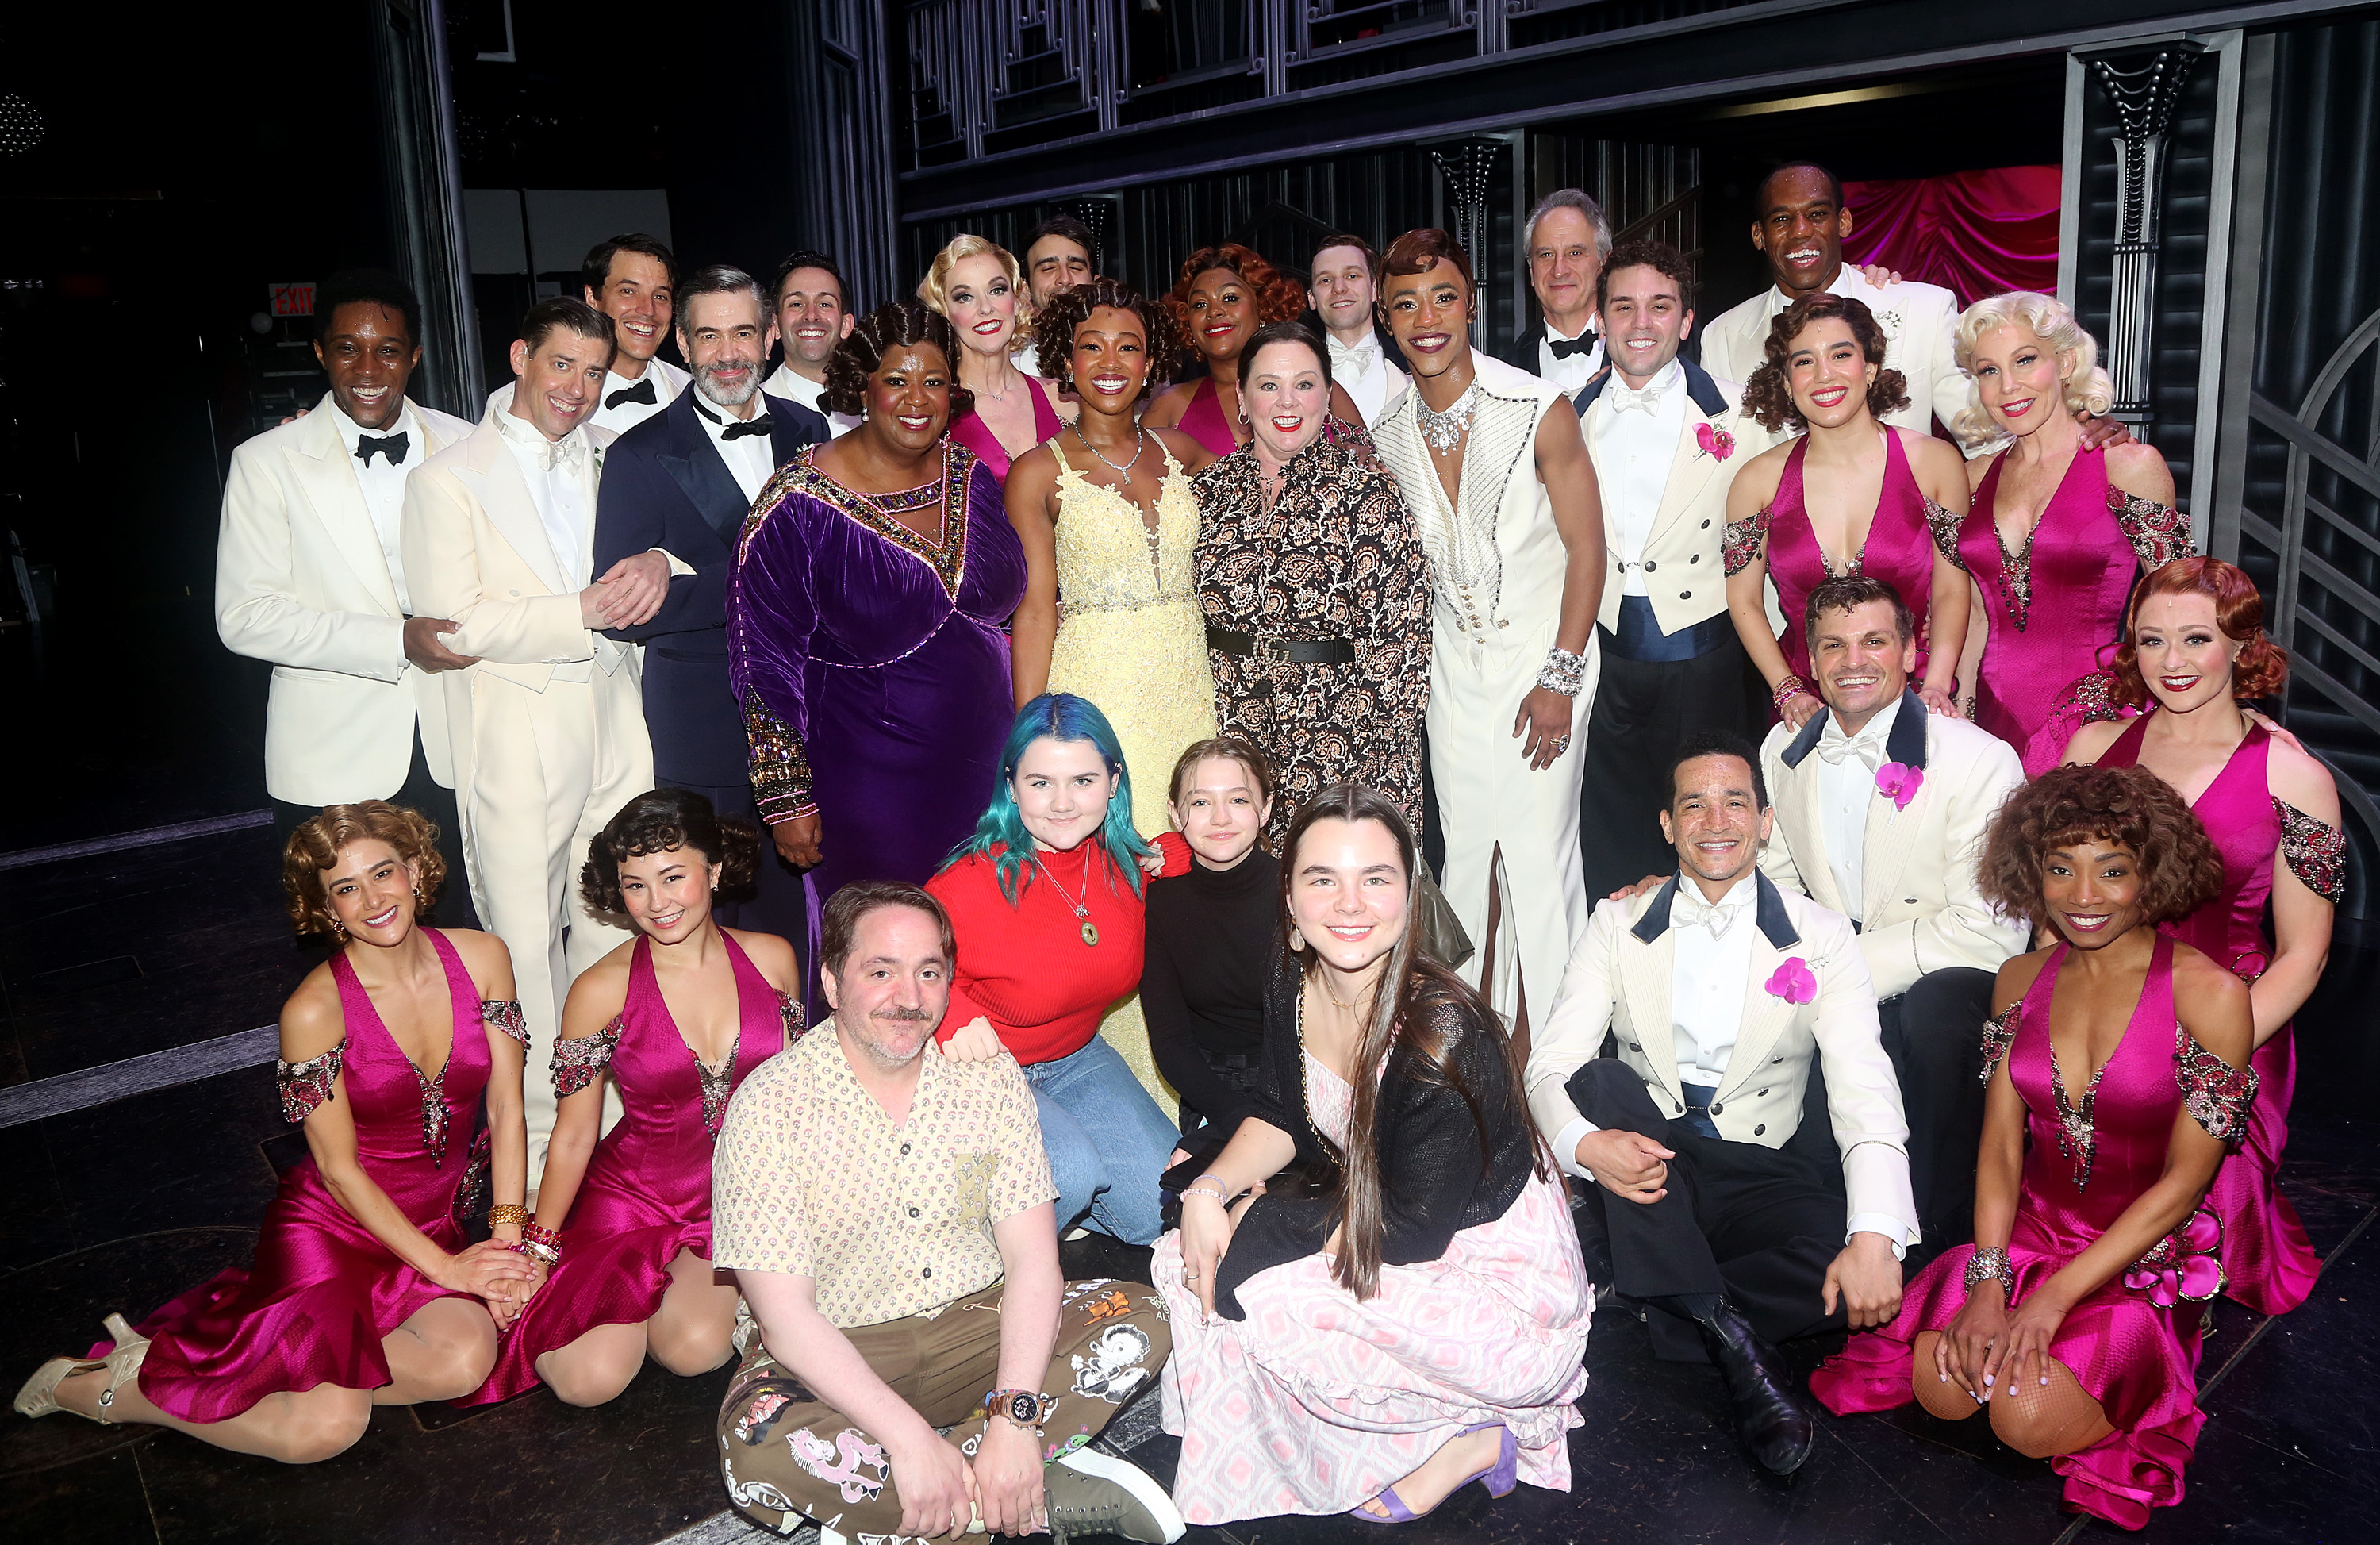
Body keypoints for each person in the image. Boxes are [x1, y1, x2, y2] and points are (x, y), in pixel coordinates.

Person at [1811, 763, 2253, 1532]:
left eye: (2112, 870)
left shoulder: (2210, 995)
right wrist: (1988, 1284)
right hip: (2025, 1241)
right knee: (1942, 1388)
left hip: (2136, 1258)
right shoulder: (2017, 980)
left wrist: (2049, 1303)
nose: (2083, 895)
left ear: (2153, 872)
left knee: (2023, 1417)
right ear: (2031, 872)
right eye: (2060, 868)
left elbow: (2183, 1188)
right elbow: (2002, 1151)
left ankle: (2140, 1353)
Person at [15, 804, 531, 1459]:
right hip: (334, 1231)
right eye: (346, 888)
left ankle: (262, 1364)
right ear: (325, 907)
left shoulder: (484, 956)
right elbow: (339, 1172)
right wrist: (450, 1270)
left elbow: (507, 1108)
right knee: (324, 1429)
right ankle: (106, 1388)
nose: (372, 899)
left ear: (417, 869)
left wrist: (506, 1244)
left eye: (383, 873)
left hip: (432, 1224)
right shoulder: (313, 1009)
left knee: (463, 1362)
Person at [1158, 785, 1592, 1524]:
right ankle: (1381, 1435)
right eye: (1322, 878)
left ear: (1408, 895)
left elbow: (1413, 1230)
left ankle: (1475, 1435)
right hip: (1369, 1213)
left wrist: (1267, 1219)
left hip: (1482, 1272)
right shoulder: (1293, 976)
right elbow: (1282, 1110)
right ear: (1289, 899)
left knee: (1262, 1296)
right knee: (1184, 1251)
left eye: (1376, 879)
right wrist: (1211, 1189)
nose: (1349, 904)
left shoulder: (1439, 1035)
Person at [710, 881, 1183, 1543]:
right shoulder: (769, 1106)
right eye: (881, 971)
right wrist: (907, 1437)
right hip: (843, 1343)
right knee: (754, 1445)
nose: (909, 996)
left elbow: (1032, 1260)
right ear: (832, 980)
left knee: (1144, 1318)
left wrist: (1014, 1421)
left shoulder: (987, 1078)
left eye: (929, 972)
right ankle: (1020, 1489)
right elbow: (786, 1319)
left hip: (976, 1326)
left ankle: (929, 1498)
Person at [1526, 732, 1916, 1478]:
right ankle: (1733, 1339)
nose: (1715, 820)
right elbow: (1549, 1066)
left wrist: (1875, 1235)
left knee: (1851, 1257)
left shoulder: (1824, 938)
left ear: (1765, 821)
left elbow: (1866, 1085)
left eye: (1735, 801)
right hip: (1647, 1162)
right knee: (1601, 1085)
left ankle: (1669, 1296)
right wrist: (1585, 1144)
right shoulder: (1618, 922)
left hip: (1756, 1167)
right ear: (1668, 826)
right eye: (1693, 805)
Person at [402, 298, 661, 1183]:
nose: (578, 390)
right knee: (522, 941)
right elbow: (455, 622)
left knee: (614, 923)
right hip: (517, 726)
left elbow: (669, 544)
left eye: (593, 373)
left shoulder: (612, 457)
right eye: (561, 366)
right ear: (520, 356)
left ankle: (614, 1113)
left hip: (616, 717)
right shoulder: (447, 479)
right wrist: (575, 613)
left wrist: (663, 565)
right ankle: (549, 1140)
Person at [2061, 558, 2344, 1316]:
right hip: (2094, 1004)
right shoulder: (2090, 750)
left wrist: (2203, 1047)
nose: (2173, 662)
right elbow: (2050, 914)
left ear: (2241, 646)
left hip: (2231, 1018)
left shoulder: (2296, 777)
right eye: (2152, 641)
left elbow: (2306, 955)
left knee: (2177, 1250)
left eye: (2196, 638)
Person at [463, 789, 803, 1409]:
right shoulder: (600, 989)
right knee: (590, 1380)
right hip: (634, 1200)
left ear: (716, 868)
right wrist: (536, 1246)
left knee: (694, 1347)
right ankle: (611, 1297)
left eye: (673, 877)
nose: (657, 903)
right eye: (635, 885)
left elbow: (796, 1101)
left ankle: (665, 1301)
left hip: (734, 1202)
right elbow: (573, 1133)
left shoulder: (773, 958)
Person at [1371, 228, 1606, 1028]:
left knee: (1538, 859)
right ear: (1385, 319)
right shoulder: (1384, 433)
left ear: (1472, 302)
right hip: (1455, 678)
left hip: (1549, 657)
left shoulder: (1538, 406)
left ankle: (1559, 1060)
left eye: (1443, 296)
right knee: (1468, 861)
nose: (1426, 318)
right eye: (1406, 304)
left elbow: (1587, 549)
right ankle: (1475, 1049)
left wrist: (1561, 676)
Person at [1759, 575, 2029, 1263]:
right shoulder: (1781, 754)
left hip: (1946, 983)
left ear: (1911, 652)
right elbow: (1784, 888)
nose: (1853, 661)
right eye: (1833, 646)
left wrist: (1842, 970)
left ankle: (1943, 1238)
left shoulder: (1979, 760)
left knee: (1932, 1014)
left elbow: (1992, 930)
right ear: (1811, 663)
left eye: (1874, 641)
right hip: (1843, 979)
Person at [726, 300, 1029, 908]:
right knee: (886, 958)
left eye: (934, 381)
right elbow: (762, 660)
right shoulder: (799, 503)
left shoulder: (970, 476)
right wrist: (786, 795)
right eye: (897, 380)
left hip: (993, 780)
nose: (917, 399)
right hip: (870, 788)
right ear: (861, 387)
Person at [216, 268, 479, 928]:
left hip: (461, 749)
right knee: (354, 967)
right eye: (346, 347)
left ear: (414, 356)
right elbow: (244, 617)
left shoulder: (469, 442)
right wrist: (395, 640)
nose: (368, 367)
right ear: (319, 353)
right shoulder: (265, 461)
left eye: (388, 349)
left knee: (464, 941)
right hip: (333, 756)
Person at [593, 266, 831, 955]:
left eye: (744, 332)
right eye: (708, 335)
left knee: (817, 910)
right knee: (727, 927)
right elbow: (617, 609)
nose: (728, 353)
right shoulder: (639, 454)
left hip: (817, 712)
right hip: (708, 726)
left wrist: (687, 574)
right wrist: (768, 579)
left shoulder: (808, 427)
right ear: (685, 349)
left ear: (770, 338)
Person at [928, 694, 1190, 1244]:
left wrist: (1177, 850)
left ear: (1114, 782)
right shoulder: (967, 884)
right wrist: (949, 1012)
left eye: (1084, 780)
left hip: (1077, 1059)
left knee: (1166, 1205)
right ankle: (954, 1241)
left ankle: (1060, 1206)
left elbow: (1189, 849)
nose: (1063, 803)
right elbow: (887, 966)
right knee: (1067, 1174)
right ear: (1012, 785)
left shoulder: (1126, 865)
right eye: (1041, 782)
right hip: (984, 1072)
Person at [1571, 240, 1764, 900]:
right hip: (1602, 653)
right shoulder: (1566, 414)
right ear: (1600, 319)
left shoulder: (1746, 413)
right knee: (1611, 826)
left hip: (1702, 652)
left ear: (1686, 321)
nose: (1641, 323)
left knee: (1707, 821)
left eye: (1661, 306)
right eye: (1623, 307)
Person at [1193, 321, 1430, 845]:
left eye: (1304, 384)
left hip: (1341, 734)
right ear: (1242, 395)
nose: (1287, 401)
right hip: (1228, 735)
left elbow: (1402, 641)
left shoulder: (1368, 492)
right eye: (1269, 384)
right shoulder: (1206, 494)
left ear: (1327, 396)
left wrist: (1357, 756)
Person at [1951, 290, 2194, 767]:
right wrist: (1957, 717)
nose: (2008, 387)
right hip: (1987, 726)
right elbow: (1975, 612)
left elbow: (2183, 602)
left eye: (2025, 360)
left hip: (2096, 720)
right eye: (1988, 371)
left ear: (2064, 363)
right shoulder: (1973, 476)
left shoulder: (2128, 465)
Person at [1008, 275, 1215, 832]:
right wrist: (1030, 735)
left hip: (1190, 684)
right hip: (1097, 685)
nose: (1110, 361)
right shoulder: (1036, 471)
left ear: (1150, 364)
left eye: (1128, 346)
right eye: (1091, 345)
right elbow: (1032, 609)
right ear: (1067, 362)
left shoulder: (1185, 452)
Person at [1724, 293, 1971, 729]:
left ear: (1870, 367)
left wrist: (1937, 683)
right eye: (1803, 361)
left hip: (1916, 697)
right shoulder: (1756, 482)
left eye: (1841, 354)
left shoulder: (1934, 464)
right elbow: (1743, 599)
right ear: (1785, 380)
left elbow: (1952, 588)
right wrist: (1786, 689)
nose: (1824, 375)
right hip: (1804, 706)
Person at [1698, 164, 1968, 448]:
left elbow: (1983, 441)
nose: (1800, 231)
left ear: (1844, 222)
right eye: (1781, 219)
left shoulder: (1926, 310)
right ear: (1759, 235)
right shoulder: (1721, 337)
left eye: (1816, 214)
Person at [1142, 738, 1279, 1146]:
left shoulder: (1298, 891)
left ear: (1265, 809)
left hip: (1299, 1077)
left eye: (1238, 800)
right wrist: (1239, 1122)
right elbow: (1171, 1043)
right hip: (1211, 1093)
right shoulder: (1159, 902)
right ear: (1175, 813)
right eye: (1201, 803)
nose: (1220, 818)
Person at [1145, 244, 1365, 458]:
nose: (1214, 312)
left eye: (1230, 298)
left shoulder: (1317, 389)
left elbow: (1368, 468)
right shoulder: (1169, 406)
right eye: (1200, 305)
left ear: (1263, 306)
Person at [489, 235, 689, 434]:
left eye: (660, 296)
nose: (648, 310)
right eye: (628, 291)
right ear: (592, 298)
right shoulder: (514, 404)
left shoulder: (693, 393)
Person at [919, 235, 1065, 482]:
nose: (985, 307)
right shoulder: (934, 410)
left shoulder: (1062, 399)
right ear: (945, 313)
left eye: (996, 290)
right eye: (965, 296)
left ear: (1018, 299)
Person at [1506, 189, 1610, 394]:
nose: (1559, 270)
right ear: (1532, 272)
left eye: (1575, 253)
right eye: (1546, 255)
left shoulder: (1645, 349)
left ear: (1604, 263)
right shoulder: (1507, 373)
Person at [1306, 233, 1407, 426]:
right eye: (1325, 280)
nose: (1339, 288)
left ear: (1375, 289)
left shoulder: (1412, 367)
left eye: (1352, 276)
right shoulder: (1294, 372)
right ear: (1312, 298)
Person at [762, 248, 861, 435]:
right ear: (775, 325)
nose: (811, 315)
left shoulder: (875, 407)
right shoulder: (752, 412)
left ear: (846, 326)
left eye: (825, 304)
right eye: (796, 304)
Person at [1015, 213, 1097, 377]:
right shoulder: (1011, 366)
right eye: (1048, 268)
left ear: (1095, 281)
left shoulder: (1123, 356)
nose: (1065, 279)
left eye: (1075, 267)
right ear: (1026, 286)